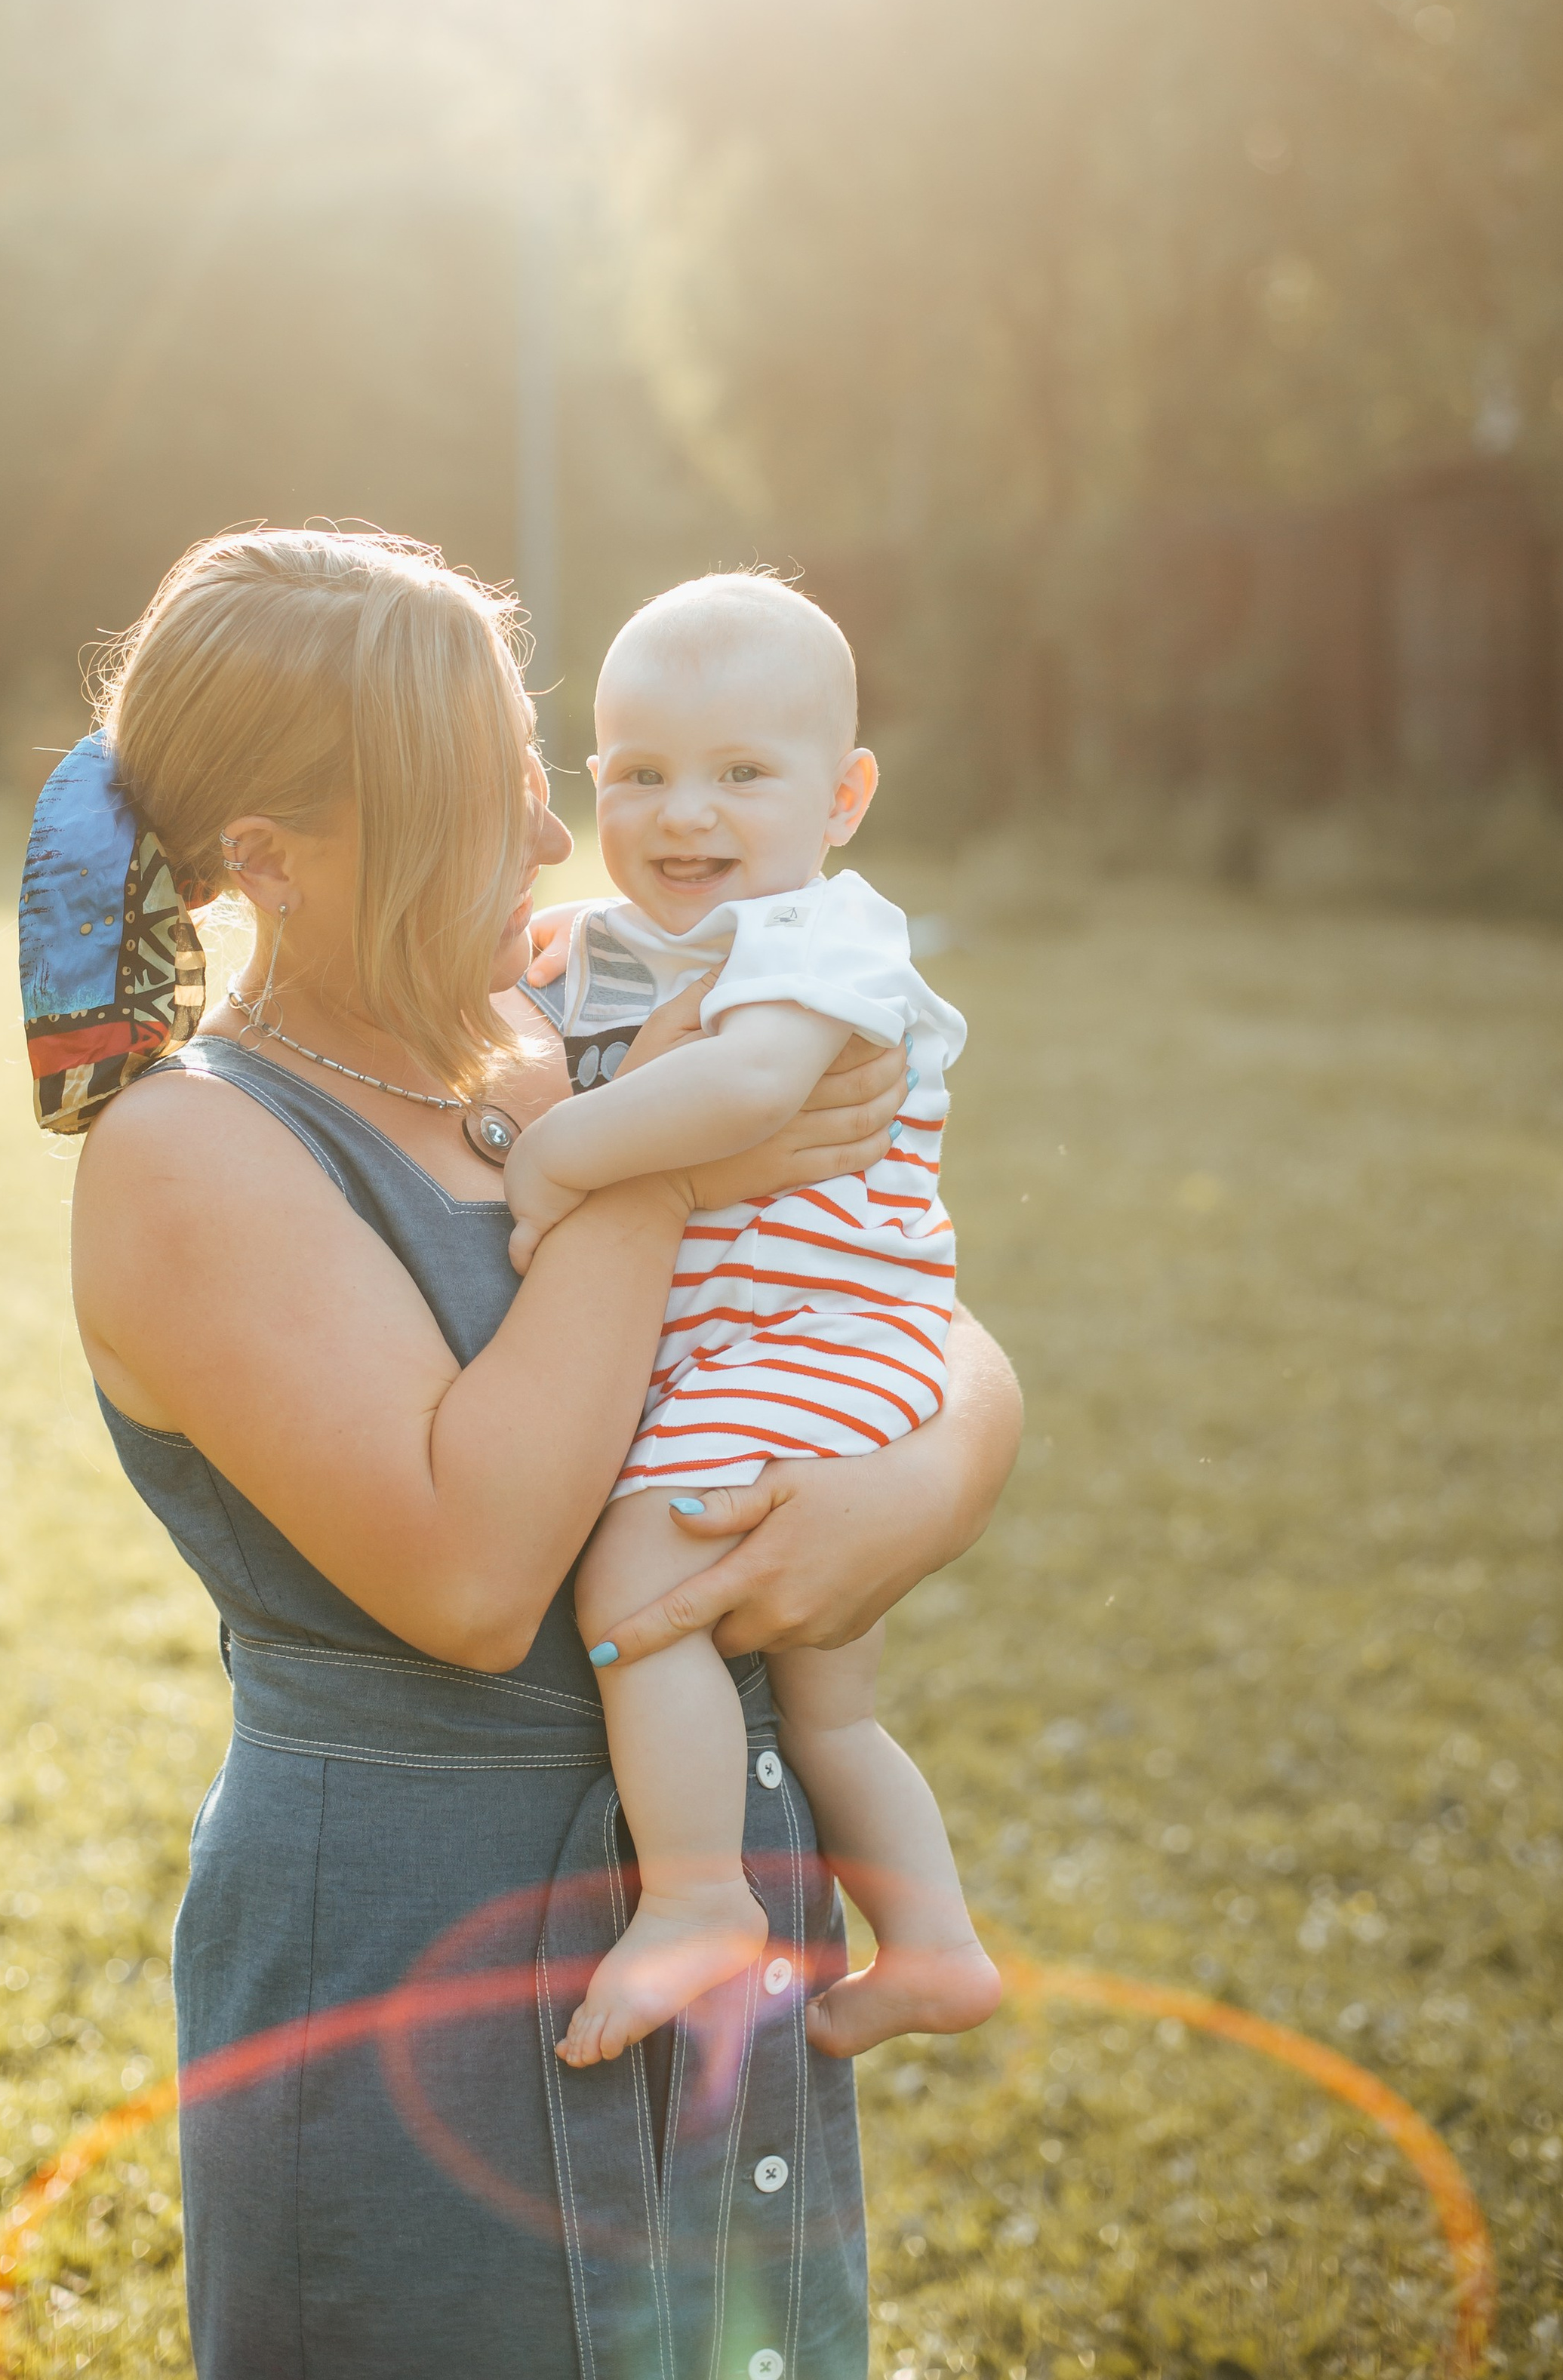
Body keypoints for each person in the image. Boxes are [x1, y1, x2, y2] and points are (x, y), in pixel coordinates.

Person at [28, 524, 1023, 2380]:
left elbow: (898, 1315)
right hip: (428, 1955)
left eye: (533, 785)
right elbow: (478, 1583)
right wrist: (658, 1155)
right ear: (270, 865)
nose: (563, 849)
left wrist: (934, 1475)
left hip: (716, 1885)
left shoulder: (540, 1032)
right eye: (492, 816)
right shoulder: (197, 1154)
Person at [506, 573, 1002, 2074]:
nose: (680, 815)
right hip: (788, 1351)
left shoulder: (821, 937)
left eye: (739, 774)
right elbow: (551, 972)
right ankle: (931, 1947)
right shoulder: (636, 938)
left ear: (841, 797)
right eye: (640, 775)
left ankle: (698, 1898)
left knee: (635, 1582)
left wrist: (555, 1153)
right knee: (830, 1709)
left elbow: (737, 1093)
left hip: (813, 1341)